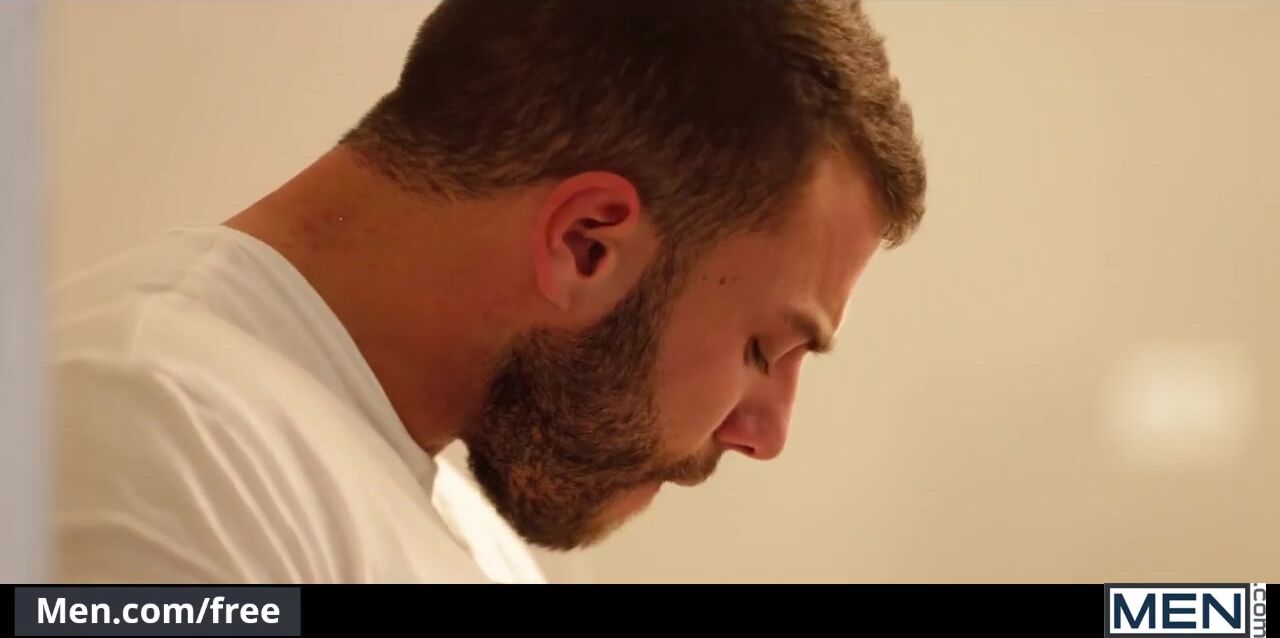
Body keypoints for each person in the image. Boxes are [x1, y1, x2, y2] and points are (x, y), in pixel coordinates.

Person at [50, 0, 926, 584]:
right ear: (586, 243)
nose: (765, 434)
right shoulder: (153, 432)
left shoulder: (447, 517)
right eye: (763, 349)